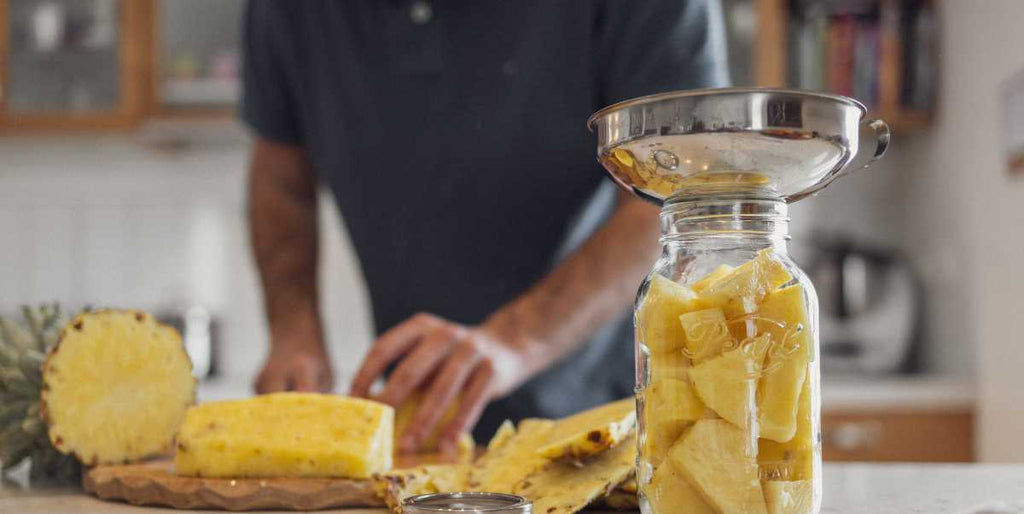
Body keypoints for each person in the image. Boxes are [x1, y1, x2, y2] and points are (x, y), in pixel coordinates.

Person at [243, 0, 728, 453]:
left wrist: (516, 339)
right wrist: (293, 328)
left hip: (616, 426)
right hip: (422, 430)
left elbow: (678, 191)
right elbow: (281, 176)